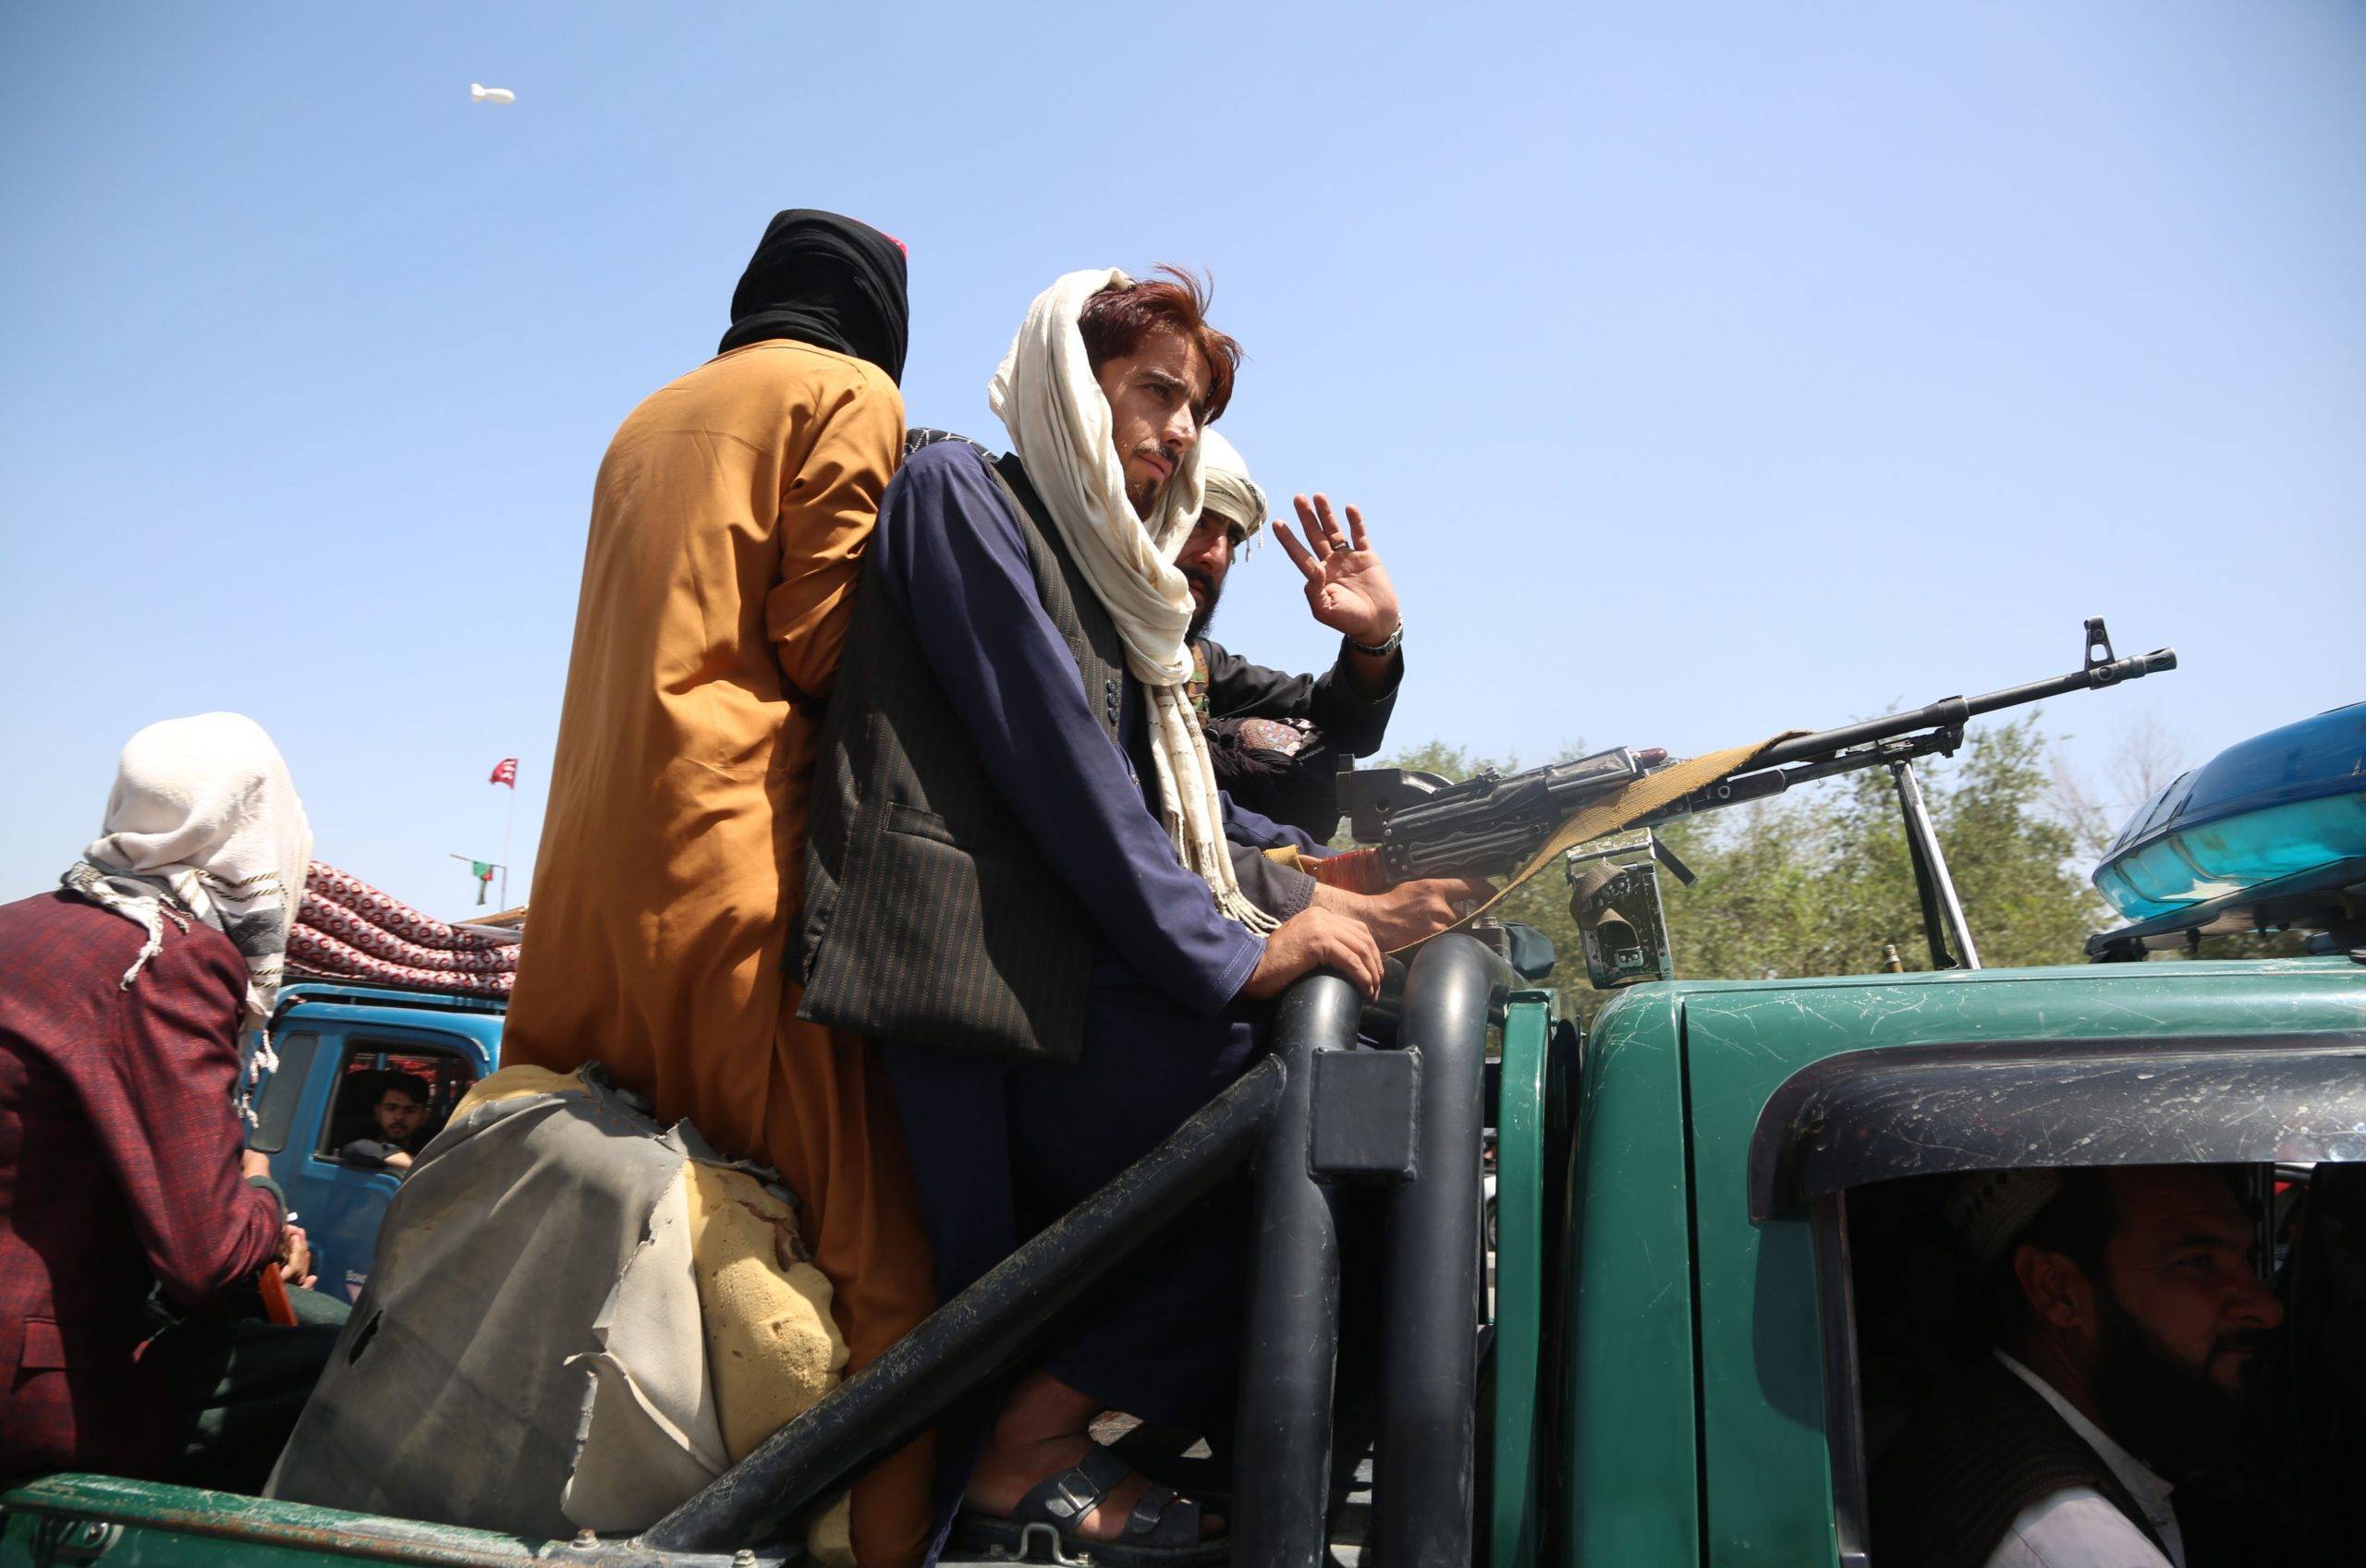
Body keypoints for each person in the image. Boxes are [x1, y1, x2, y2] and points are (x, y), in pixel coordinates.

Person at [795, 267, 1481, 1559]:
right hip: (979, 999)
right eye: (1156, 392)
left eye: (1194, 411)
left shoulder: (1132, 599)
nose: (1177, 433)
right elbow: (1066, 775)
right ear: (1070, 376)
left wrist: (1325, 880)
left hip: (1074, 985)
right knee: (1326, 1104)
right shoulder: (965, 501)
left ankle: (1257, 1473)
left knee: (1397, 1107)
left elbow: (1216, 800)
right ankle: (1028, 1443)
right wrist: (1239, 952)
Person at [500, 208, 935, 1568]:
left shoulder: (643, 419)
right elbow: (819, 643)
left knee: (609, 1235)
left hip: (579, 916)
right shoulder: (850, 393)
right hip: (734, 898)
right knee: (889, 1286)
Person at [0, 713, 329, 1486]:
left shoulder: (20, 928)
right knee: (344, 1357)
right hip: (38, 1391)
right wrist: (266, 1211)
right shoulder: (168, 958)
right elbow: (206, 1262)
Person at [1873, 1164, 2287, 1568]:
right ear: (2056, 1289)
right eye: (2197, 1262)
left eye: (2247, 1259)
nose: (2267, 1309)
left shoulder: (1970, 1417)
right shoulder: (2075, 1548)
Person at [1179, 429, 1405, 840]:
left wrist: (1375, 639)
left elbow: (1339, 723)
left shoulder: (1193, 661)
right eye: (1198, 520)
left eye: (1231, 537)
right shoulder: (1078, 635)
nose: (1214, 555)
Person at [338, 1073, 430, 1173]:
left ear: (423, 1116)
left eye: (410, 1110)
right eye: (391, 1108)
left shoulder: (434, 1146)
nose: (399, 1117)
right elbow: (357, 1148)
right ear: (377, 1112)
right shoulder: (356, 1136)